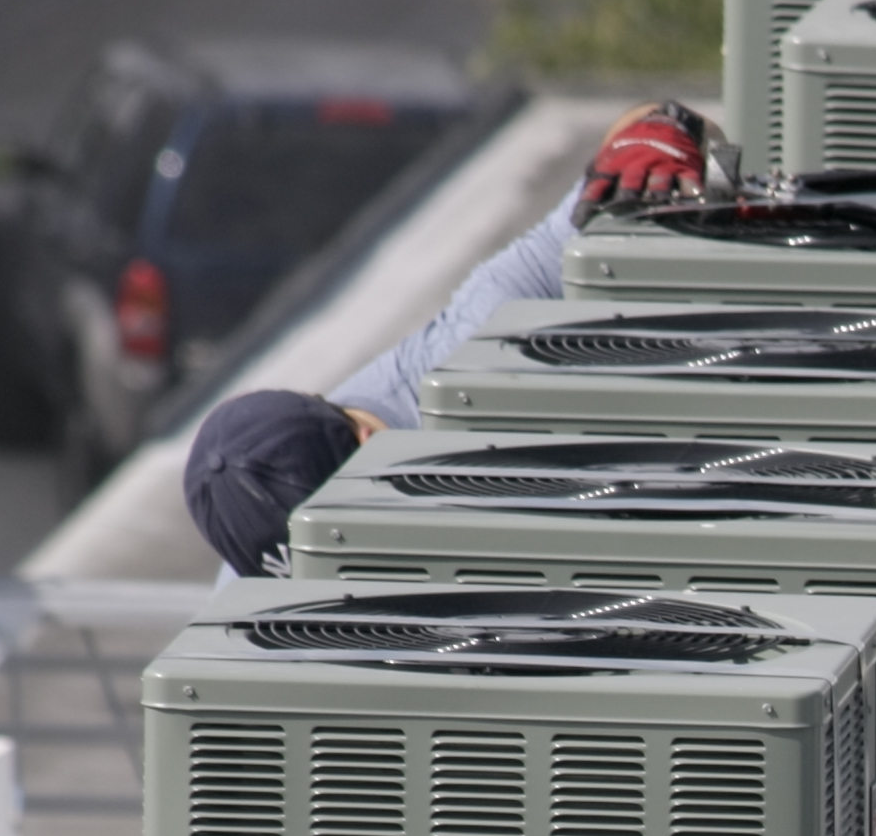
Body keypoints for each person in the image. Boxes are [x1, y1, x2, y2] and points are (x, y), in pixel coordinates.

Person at [177, 101, 716, 577]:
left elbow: (645, 140)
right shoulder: (260, 563)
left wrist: (660, 135)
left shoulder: (481, 344)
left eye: (343, 552)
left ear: (366, 446)